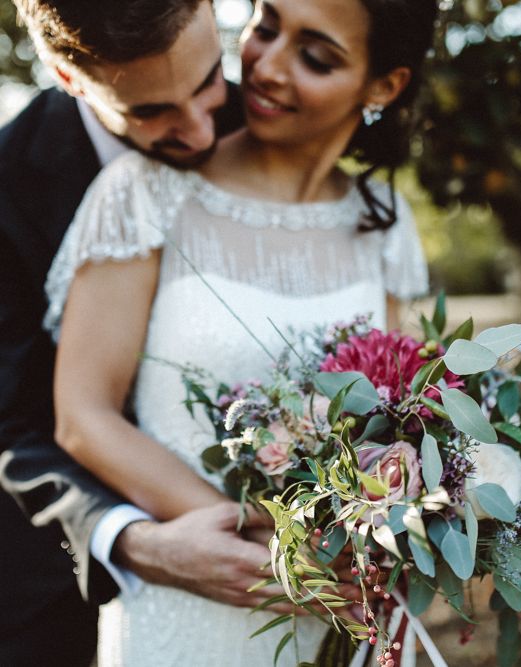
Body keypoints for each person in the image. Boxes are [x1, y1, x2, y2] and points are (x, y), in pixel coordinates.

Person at [46, 0, 438, 663]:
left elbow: (407, 417)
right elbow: (82, 416)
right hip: (191, 589)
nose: (265, 65)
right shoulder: (142, 194)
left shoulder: (386, 224)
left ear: (383, 86)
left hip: (335, 608)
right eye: (264, 26)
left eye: (315, 56)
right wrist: (268, 542)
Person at [0, 2, 284, 665]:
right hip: (60, 587)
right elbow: (8, 422)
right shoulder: (7, 185)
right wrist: (132, 541)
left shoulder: (286, 135)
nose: (199, 130)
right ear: (67, 76)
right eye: (150, 111)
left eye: (209, 77)